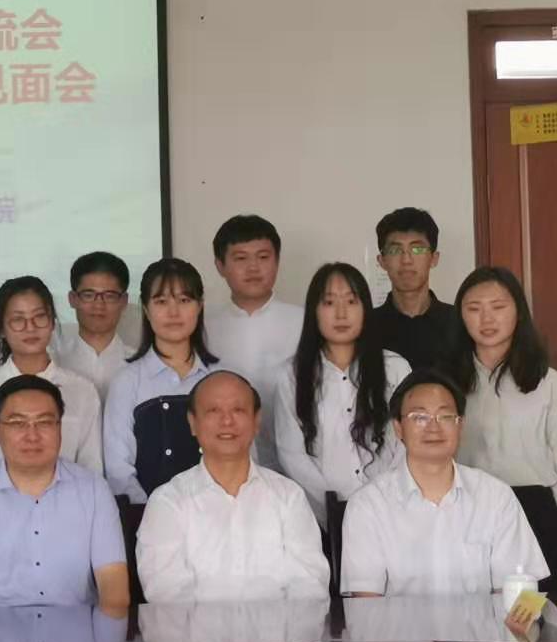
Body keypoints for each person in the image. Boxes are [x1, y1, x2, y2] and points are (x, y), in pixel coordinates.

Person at [341, 368, 548, 597]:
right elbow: (366, 605)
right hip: (399, 624)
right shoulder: (368, 505)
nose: (433, 427)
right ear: (398, 428)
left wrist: (518, 619)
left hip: (484, 623)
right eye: (419, 417)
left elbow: (524, 596)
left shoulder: (496, 497)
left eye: (446, 416)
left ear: (460, 425)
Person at [0, 375, 128, 614]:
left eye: (45, 422)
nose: (32, 435)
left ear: (60, 428)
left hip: (78, 632)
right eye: (18, 423)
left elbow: (114, 590)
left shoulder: (94, 490)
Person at [137, 372, 330, 603]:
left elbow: (310, 589)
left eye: (238, 410)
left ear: (256, 421)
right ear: (192, 422)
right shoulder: (167, 502)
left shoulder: (289, 496)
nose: (227, 421)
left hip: (281, 628)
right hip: (195, 629)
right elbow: (167, 596)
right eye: (213, 411)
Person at [449, 266, 557, 593]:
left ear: (518, 312)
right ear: (461, 317)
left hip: (532, 507)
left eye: (498, 306)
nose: (487, 319)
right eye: (474, 309)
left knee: (538, 608)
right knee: (474, 606)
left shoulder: (549, 382)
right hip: (466, 507)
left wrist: (554, 508)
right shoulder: (447, 382)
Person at [272, 264, 410, 525]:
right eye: (329, 303)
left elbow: (407, 442)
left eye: (351, 301)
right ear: (314, 311)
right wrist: (333, 509)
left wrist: (379, 502)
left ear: (365, 309)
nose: (341, 313)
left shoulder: (395, 368)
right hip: (323, 519)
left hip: (390, 513)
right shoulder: (291, 376)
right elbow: (291, 453)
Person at [0, 277, 103, 476]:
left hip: (72, 495)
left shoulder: (82, 391)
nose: (30, 327)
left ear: (52, 322)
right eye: (18, 319)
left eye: (39, 316)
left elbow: (91, 469)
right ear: (1, 329)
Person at [103, 258, 219, 505]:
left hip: (221, 517)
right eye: (161, 301)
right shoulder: (127, 381)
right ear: (145, 309)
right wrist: (154, 515)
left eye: (184, 300)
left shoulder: (223, 378)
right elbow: (118, 470)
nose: (173, 312)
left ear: (200, 306)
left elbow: (244, 456)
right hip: (149, 519)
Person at [206, 215, 305, 468]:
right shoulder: (203, 327)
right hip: (225, 462)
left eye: (263, 257)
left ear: (277, 261)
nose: (253, 268)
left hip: (299, 463)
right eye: (241, 258)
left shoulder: (306, 322)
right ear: (220, 265)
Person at [372, 208, 457, 371]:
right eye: (395, 250)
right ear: (382, 261)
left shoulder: (459, 324)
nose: (406, 260)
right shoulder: (365, 327)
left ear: (434, 258)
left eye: (417, 249)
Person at [52, 251, 133, 403]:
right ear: (72, 299)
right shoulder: (54, 362)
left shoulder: (139, 364)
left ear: (124, 301)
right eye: (88, 295)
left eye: (109, 296)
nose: (99, 305)